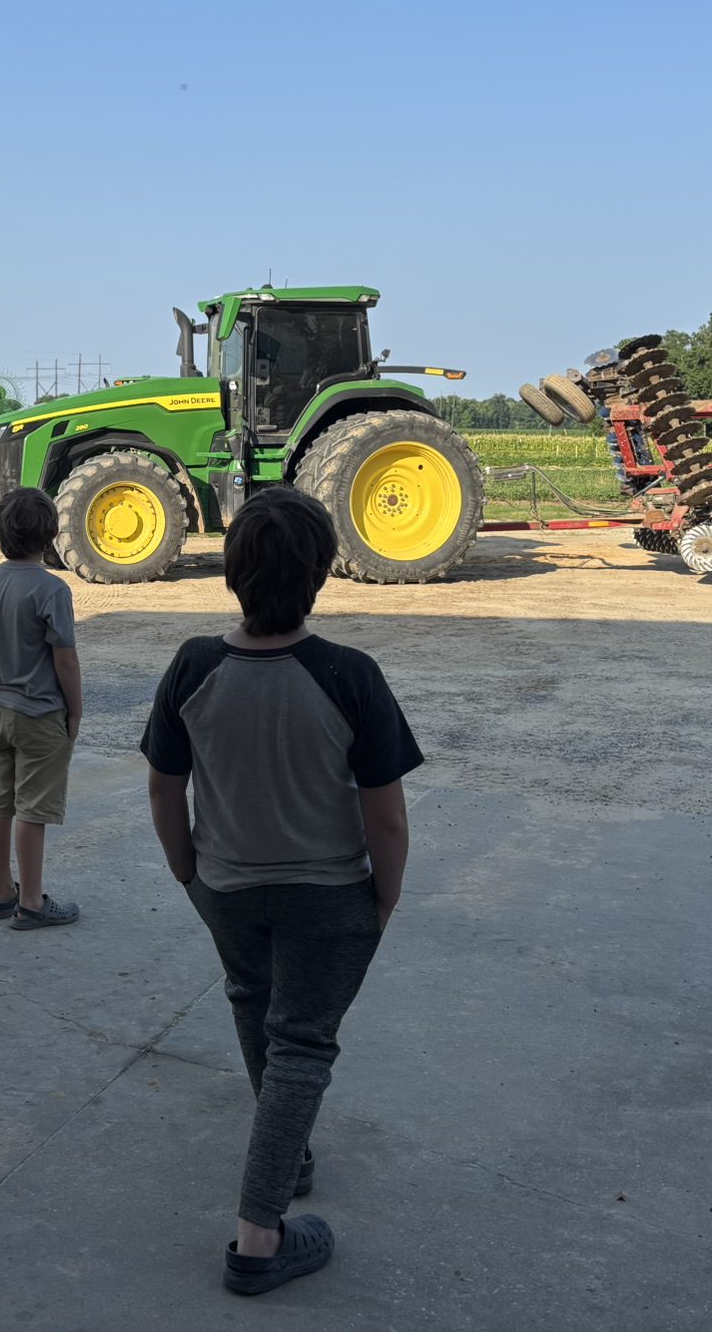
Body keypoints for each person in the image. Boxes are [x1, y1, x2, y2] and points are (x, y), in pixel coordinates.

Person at [141, 486, 418, 1295]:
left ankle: (285, 1150)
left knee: (254, 1007)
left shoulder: (194, 665)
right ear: (322, 574)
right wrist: (384, 899)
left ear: (232, 572)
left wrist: (185, 869)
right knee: (302, 1042)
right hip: (327, 895)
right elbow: (387, 819)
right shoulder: (348, 676)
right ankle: (258, 1238)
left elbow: (164, 785)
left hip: (225, 886)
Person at [0, 486, 82, 930]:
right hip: (39, 712)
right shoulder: (51, 590)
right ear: (50, 535)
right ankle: (32, 902)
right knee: (33, 808)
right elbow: (65, 658)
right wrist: (74, 711)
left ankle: (2, 892)